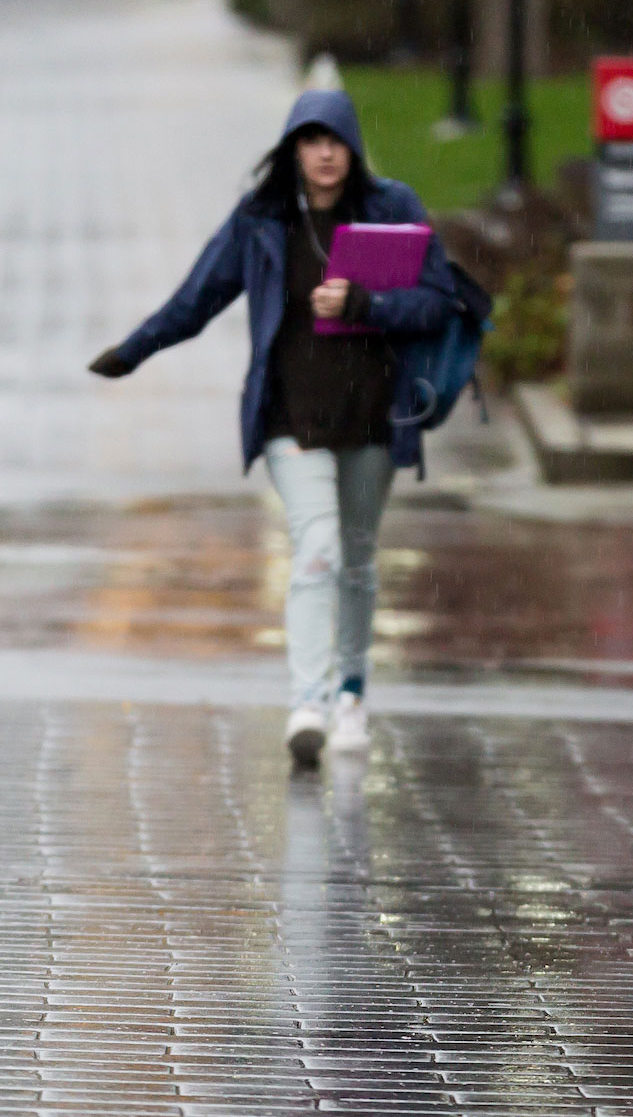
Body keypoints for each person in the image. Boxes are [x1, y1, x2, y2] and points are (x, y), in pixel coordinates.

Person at [86, 90, 463, 768]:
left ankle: (352, 694)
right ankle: (307, 704)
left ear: (352, 148)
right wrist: (135, 350)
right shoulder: (264, 220)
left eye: (335, 141)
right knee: (316, 551)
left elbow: (437, 302)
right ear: (291, 149)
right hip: (292, 418)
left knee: (356, 558)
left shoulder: (392, 210)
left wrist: (365, 302)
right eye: (310, 140)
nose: (324, 154)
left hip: (375, 416)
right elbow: (198, 295)